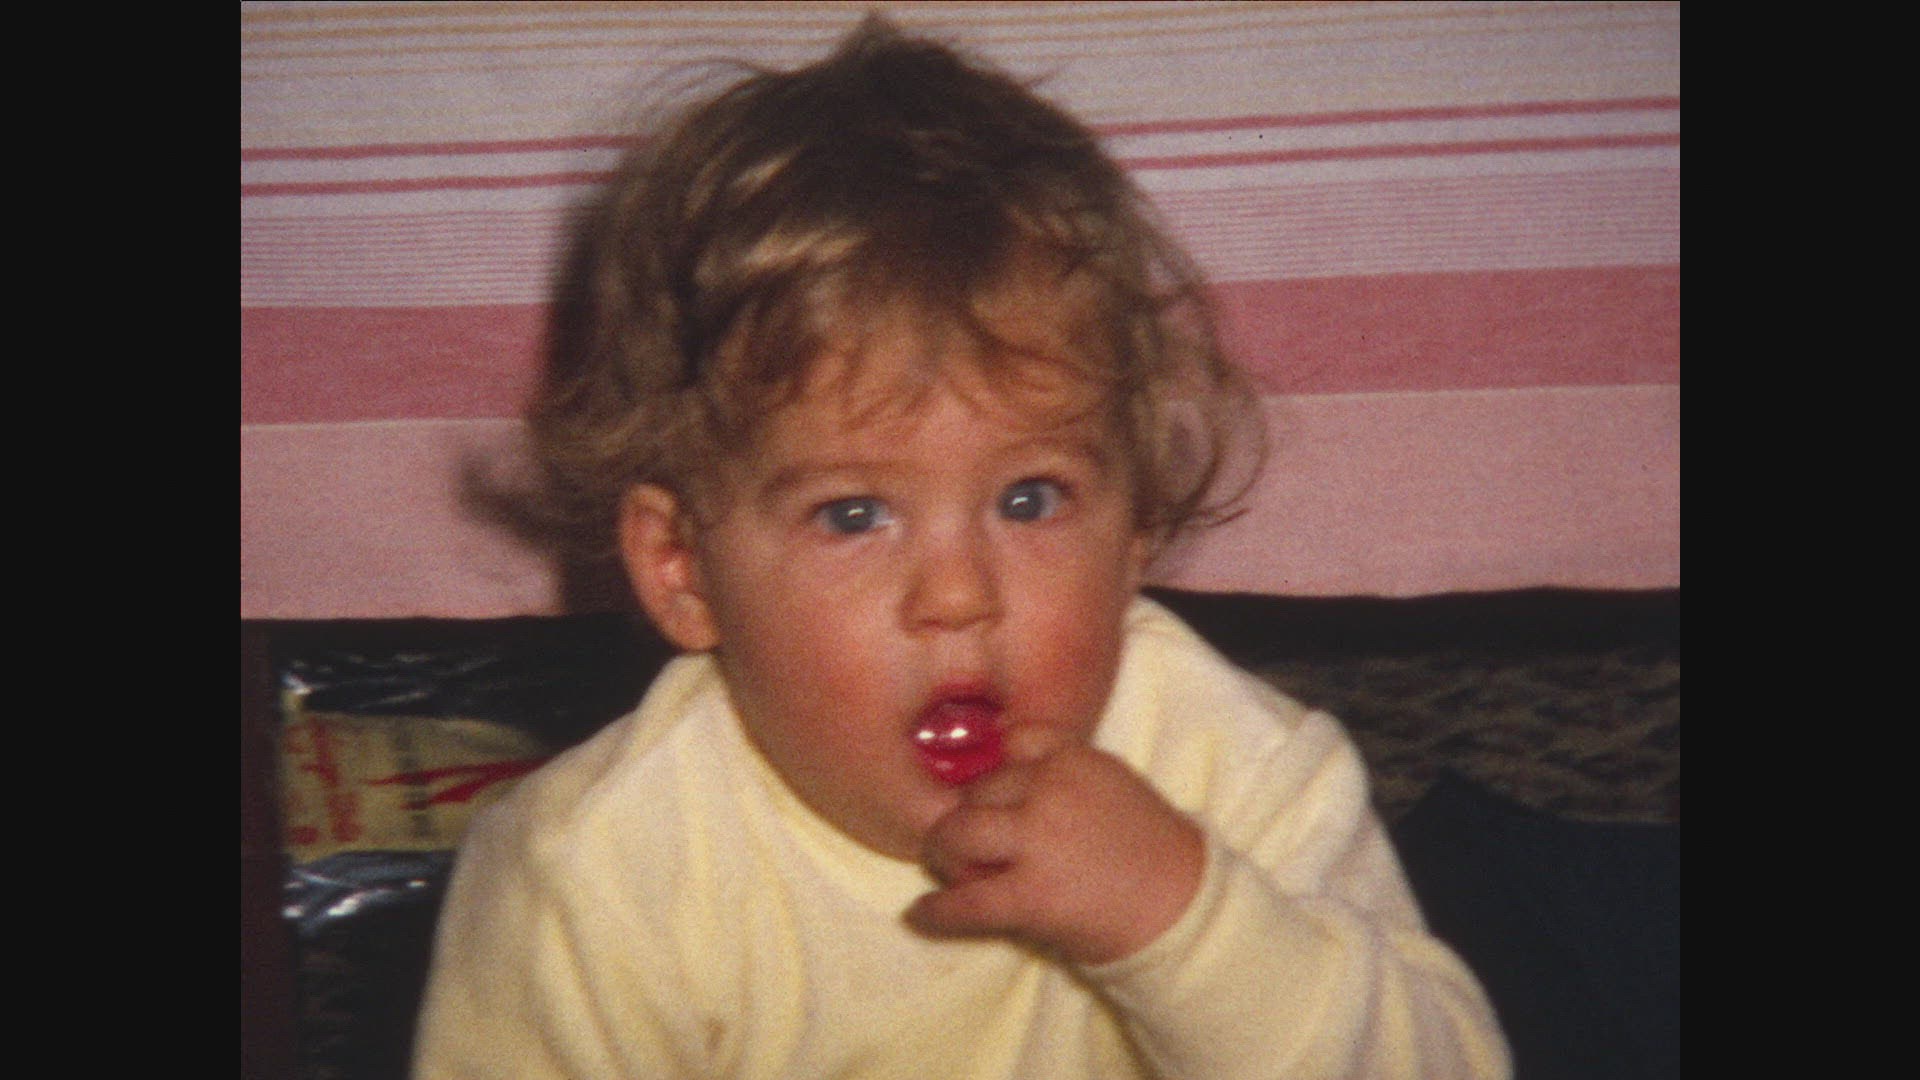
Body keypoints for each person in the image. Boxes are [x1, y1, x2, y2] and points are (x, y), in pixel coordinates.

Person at [413, 17, 1510, 1079]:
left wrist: (1185, 920)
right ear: (683, 570)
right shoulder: (597, 877)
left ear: (1134, 524)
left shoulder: (1239, 772)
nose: (956, 594)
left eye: (1029, 500)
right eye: (853, 515)